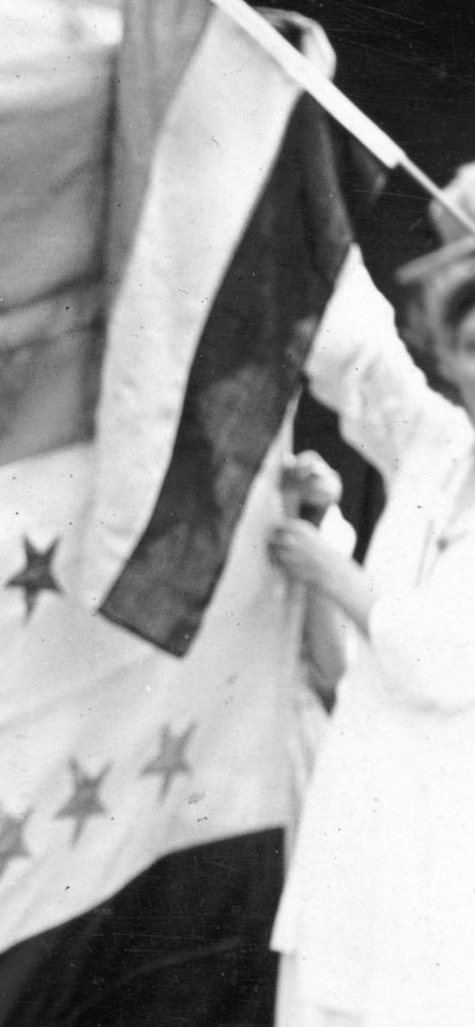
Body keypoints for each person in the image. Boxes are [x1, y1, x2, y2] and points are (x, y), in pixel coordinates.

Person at [265, 171, 475, 1027]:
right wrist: (289, 155)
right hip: (360, 818)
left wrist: (332, 572)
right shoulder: (442, 445)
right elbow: (355, 358)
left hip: (445, 847)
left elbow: (440, 663)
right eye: (469, 344)